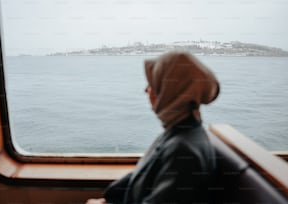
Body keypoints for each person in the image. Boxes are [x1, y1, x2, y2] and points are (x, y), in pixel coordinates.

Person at [86, 51, 220, 204]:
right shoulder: (181, 132)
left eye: (152, 84)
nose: (146, 90)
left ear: (169, 92)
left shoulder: (184, 151)